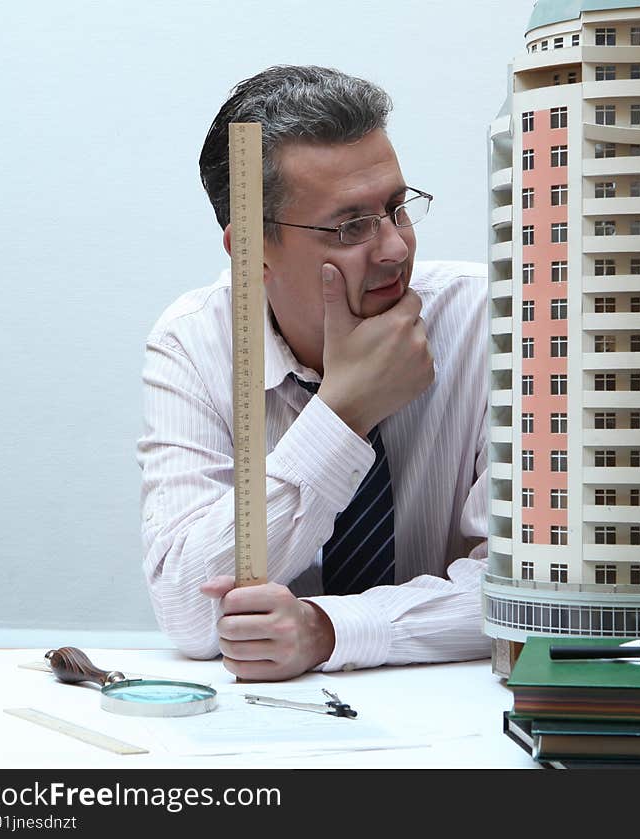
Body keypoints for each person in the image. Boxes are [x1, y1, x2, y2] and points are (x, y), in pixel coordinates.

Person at [137, 65, 489, 681]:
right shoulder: (194, 342)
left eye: (397, 208)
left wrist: (328, 630)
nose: (395, 249)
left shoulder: (494, 322)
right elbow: (188, 613)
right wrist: (342, 415)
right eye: (351, 226)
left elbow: (533, 592)